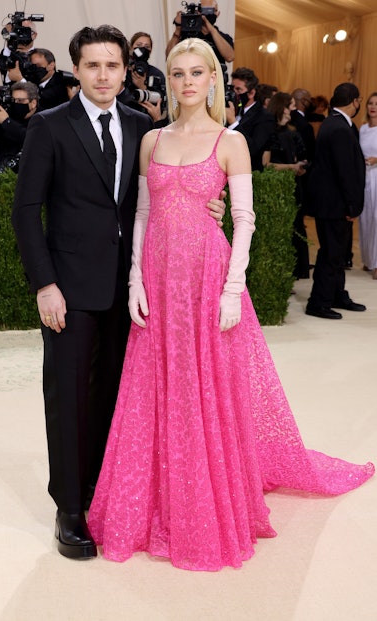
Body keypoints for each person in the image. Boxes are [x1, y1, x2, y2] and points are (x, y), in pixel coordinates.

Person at [87, 39, 374, 571]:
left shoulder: (230, 141)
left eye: (198, 72)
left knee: (205, 386)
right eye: (177, 73)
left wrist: (231, 289)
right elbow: (144, 215)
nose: (187, 81)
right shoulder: (152, 139)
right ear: (167, 81)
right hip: (158, 276)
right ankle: (154, 499)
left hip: (207, 275)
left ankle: (203, 497)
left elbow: (244, 219)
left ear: (214, 80)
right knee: (156, 385)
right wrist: (134, 280)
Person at [11, 25, 225, 561]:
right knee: (68, 399)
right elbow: (24, 211)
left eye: (113, 66)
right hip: (69, 290)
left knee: (115, 397)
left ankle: (102, 495)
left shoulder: (142, 125)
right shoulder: (49, 126)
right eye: (93, 66)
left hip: (132, 290)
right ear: (76, 71)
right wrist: (45, 285)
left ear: (125, 70)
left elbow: (164, 196)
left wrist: (213, 210)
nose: (104, 75)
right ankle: (69, 509)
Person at [306, 83, 366, 319]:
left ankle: (336, 294)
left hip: (333, 204)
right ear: (354, 102)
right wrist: (352, 204)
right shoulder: (339, 128)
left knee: (338, 254)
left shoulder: (334, 123)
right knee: (332, 254)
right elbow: (345, 172)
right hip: (335, 205)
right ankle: (318, 302)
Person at [263, 91, 310, 279]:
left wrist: (300, 167)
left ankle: (296, 270)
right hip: (276, 189)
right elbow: (266, 165)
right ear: (282, 107)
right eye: (291, 105)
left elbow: (303, 156)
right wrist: (291, 166)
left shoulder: (292, 132)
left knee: (297, 226)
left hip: (293, 185)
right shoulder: (269, 132)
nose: (293, 109)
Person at [0, 81, 38, 172]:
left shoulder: (43, 118)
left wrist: (7, 122)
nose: (16, 103)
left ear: (33, 103)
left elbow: (32, 139)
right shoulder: (9, 114)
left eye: (20, 100)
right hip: (3, 173)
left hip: (29, 172)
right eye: (13, 100)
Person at [226, 67, 275, 171]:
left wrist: (233, 123)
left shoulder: (264, 117)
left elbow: (253, 149)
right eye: (232, 88)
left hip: (248, 173)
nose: (234, 94)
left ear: (251, 93)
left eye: (238, 89)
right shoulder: (229, 109)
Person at [165, 0, 234, 64]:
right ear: (198, 11)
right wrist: (178, 29)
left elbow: (230, 57)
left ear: (217, 13)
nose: (206, 14)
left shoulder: (224, 38)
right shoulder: (186, 35)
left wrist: (211, 28)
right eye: (203, 10)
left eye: (210, 10)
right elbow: (169, 58)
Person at [359, 92, 377, 279]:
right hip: (364, 178)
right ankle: (368, 259)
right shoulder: (363, 129)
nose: (373, 107)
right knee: (365, 220)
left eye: (376, 104)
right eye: (370, 103)